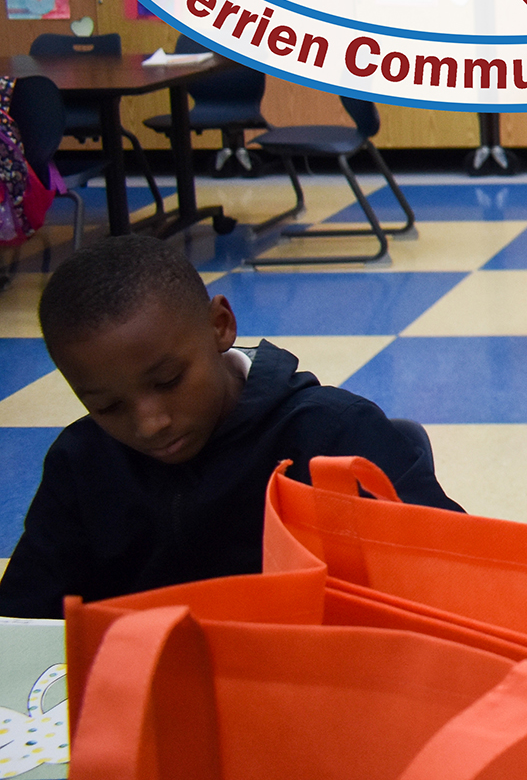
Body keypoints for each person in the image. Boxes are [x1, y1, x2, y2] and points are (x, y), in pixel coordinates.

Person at [0, 236, 461, 618]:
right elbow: (23, 622)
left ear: (220, 325)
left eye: (169, 381)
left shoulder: (332, 433)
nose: (150, 424)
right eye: (106, 406)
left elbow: (458, 581)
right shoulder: (81, 463)